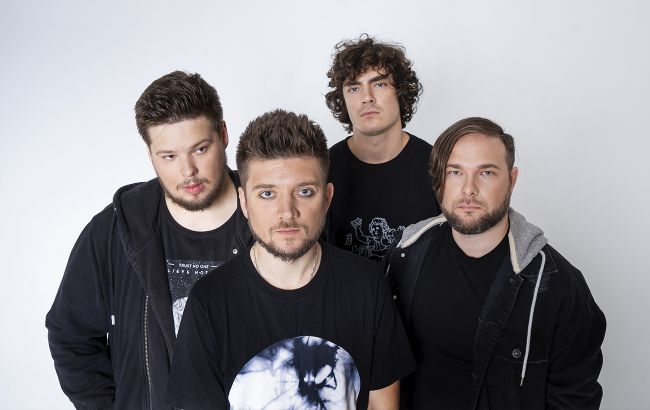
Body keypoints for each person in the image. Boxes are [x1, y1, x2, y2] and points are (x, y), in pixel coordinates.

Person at [166, 109, 415, 409]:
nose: (287, 212)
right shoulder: (210, 300)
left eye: (305, 192)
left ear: (327, 198)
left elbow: (382, 404)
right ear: (244, 201)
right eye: (267, 194)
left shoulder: (367, 284)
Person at [45, 71, 252, 409]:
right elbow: (70, 335)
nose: (188, 171)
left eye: (200, 149)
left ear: (224, 134)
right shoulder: (116, 229)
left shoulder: (270, 217)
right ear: (150, 153)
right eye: (169, 156)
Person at [385, 117, 606, 409]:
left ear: (512, 180)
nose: (469, 189)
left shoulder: (559, 287)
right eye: (455, 172)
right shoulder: (406, 255)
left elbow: (575, 399)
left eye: (486, 172)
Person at [324, 34, 441, 262]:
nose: (367, 98)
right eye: (354, 88)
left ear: (400, 92)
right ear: (343, 99)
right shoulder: (322, 169)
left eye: (379, 84)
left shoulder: (438, 165)